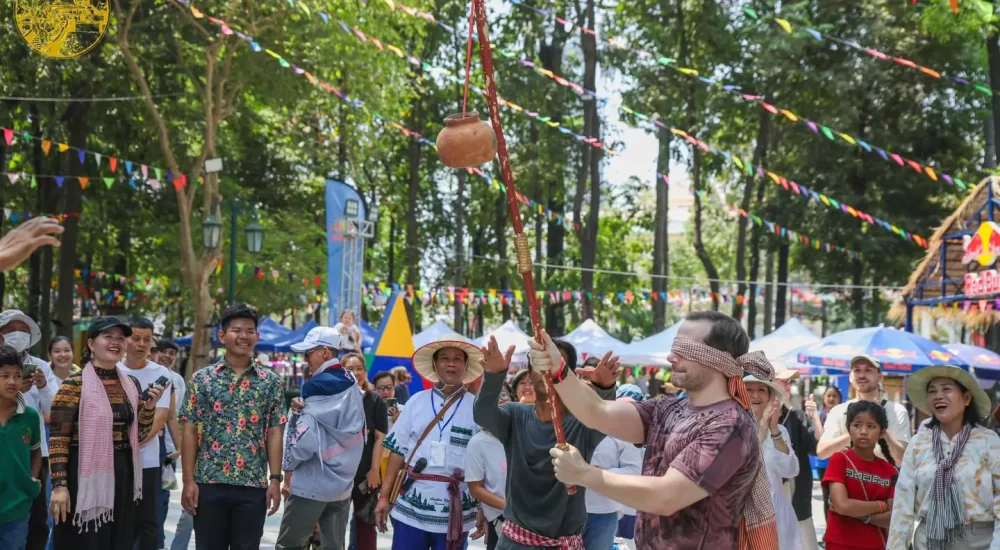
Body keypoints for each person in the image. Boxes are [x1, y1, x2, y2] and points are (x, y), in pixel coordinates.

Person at [542, 310, 778, 549]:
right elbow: (597, 412)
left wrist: (584, 474)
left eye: (684, 348)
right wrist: (558, 369)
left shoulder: (730, 425)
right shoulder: (666, 407)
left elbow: (666, 497)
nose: (671, 356)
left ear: (718, 359)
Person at [474, 335, 617, 550]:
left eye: (554, 363)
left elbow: (607, 418)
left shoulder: (584, 422)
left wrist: (605, 388)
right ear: (530, 375)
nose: (546, 372)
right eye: (540, 364)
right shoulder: (515, 416)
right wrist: (493, 376)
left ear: (568, 375)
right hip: (515, 543)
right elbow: (483, 415)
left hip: (564, 542)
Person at [49, 316, 164, 549]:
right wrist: (59, 486)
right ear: (91, 344)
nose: (115, 342)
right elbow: (58, 439)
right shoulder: (74, 385)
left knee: (118, 539)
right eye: (108, 336)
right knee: (86, 540)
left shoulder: (130, 384)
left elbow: (138, 436)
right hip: (82, 473)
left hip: (123, 472)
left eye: (120, 338)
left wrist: (149, 407)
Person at [180, 304, 287, 550]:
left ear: (257, 337)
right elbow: (190, 430)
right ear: (221, 336)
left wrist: (274, 480)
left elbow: (274, 432)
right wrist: (188, 480)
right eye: (236, 330)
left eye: (250, 331)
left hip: (252, 486)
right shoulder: (202, 379)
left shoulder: (270, 382)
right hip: (208, 482)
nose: (243, 336)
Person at [375, 339, 483, 550]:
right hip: (411, 509)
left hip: (456, 512)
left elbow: (484, 463)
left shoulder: (477, 408)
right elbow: (397, 452)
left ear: (466, 366)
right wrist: (384, 497)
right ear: (435, 365)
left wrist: (485, 510)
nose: (451, 364)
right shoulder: (416, 401)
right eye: (445, 358)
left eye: (457, 359)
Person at [888, 365, 1000, 550]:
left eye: (946, 389)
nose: (938, 395)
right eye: (932, 391)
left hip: (979, 542)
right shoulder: (918, 443)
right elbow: (903, 503)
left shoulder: (988, 441)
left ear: (966, 398)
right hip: (928, 540)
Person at [275, 327, 365, 549]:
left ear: (325, 352)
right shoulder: (350, 380)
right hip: (342, 485)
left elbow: (304, 444)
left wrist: (287, 466)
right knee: (333, 545)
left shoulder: (316, 385)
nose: (305, 360)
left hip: (311, 482)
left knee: (290, 545)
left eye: (308, 353)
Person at [0, 309, 59, 550]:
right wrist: (13, 390)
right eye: (11, 329)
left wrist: (43, 387)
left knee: (35, 522)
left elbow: (56, 410)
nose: (18, 334)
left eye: (23, 330)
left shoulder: (41, 366)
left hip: (32, 452)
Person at [117, 317, 172, 550]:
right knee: (119, 519)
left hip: (147, 460)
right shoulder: (112, 370)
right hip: (115, 458)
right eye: (135, 338)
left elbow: (159, 420)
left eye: (146, 340)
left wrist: (134, 440)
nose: (141, 344)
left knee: (148, 521)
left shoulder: (162, 373)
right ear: (125, 340)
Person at [822, 401, 897, 550]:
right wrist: (881, 505)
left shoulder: (890, 471)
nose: (863, 431)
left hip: (876, 545)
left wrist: (861, 514)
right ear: (849, 429)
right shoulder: (839, 459)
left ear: (882, 432)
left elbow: (893, 518)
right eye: (857, 425)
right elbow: (842, 506)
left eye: (871, 426)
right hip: (840, 544)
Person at [744, 367, 802, 550]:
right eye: (749, 389)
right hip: (743, 513)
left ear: (769, 396)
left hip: (777, 511)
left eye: (761, 390)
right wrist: (761, 428)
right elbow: (743, 467)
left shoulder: (779, 431)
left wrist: (774, 430)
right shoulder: (732, 426)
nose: (755, 396)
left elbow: (791, 470)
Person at [817, 356, 910, 465]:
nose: (862, 375)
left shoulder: (897, 411)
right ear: (850, 377)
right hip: (848, 480)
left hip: (884, 480)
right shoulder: (838, 411)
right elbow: (822, 452)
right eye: (857, 370)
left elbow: (904, 459)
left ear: (880, 377)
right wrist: (853, 434)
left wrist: (883, 432)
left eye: (868, 370)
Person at [583, 383, 643, 550]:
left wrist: (600, 474)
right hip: (565, 510)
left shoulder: (621, 427)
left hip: (603, 512)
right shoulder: (566, 423)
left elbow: (634, 470)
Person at [342, 352, 388, 550]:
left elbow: (379, 438)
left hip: (364, 475)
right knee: (333, 523)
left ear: (365, 371)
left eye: (359, 368)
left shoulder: (374, 399)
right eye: (349, 369)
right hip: (337, 474)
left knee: (365, 526)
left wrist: (374, 470)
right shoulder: (334, 397)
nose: (355, 373)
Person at [772, 367, 821, 550]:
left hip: (797, 496)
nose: (786, 385)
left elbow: (818, 449)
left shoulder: (798, 416)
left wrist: (815, 417)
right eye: (781, 380)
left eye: (788, 381)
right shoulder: (755, 416)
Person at [0, 344, 42, 550]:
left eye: (17, 376)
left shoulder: (30, 416)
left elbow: (36, 450)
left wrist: (32, 479)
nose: (12, 381)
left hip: (17, 507)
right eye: (4, 375)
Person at [465, 383, 510, 550]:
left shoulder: (525, 433)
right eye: (491, 398)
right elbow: (476, 488)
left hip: (536, 520)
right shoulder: (478, 442)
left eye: (504, 395)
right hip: (502, 520)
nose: (499, 400)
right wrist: (511, 508)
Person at [155, 338, 185, 550]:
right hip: (147, 448)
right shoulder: (150, 374)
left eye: (172, 353)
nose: (168, 356)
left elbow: (176, 416)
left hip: (168, 453)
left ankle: (158, 539)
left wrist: (179, 446)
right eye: (164, 351)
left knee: (164, 496)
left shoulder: (178, 381)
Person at [816, 385, 843, 519]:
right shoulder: (818, 416)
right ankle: (828, 532)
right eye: (829, 395)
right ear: (824, 398)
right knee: (827, 496)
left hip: (839, 463)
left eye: (835, 396)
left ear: (840, 399)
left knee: (839, 498)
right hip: (823, 464)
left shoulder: (845, 416)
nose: (831, 398)